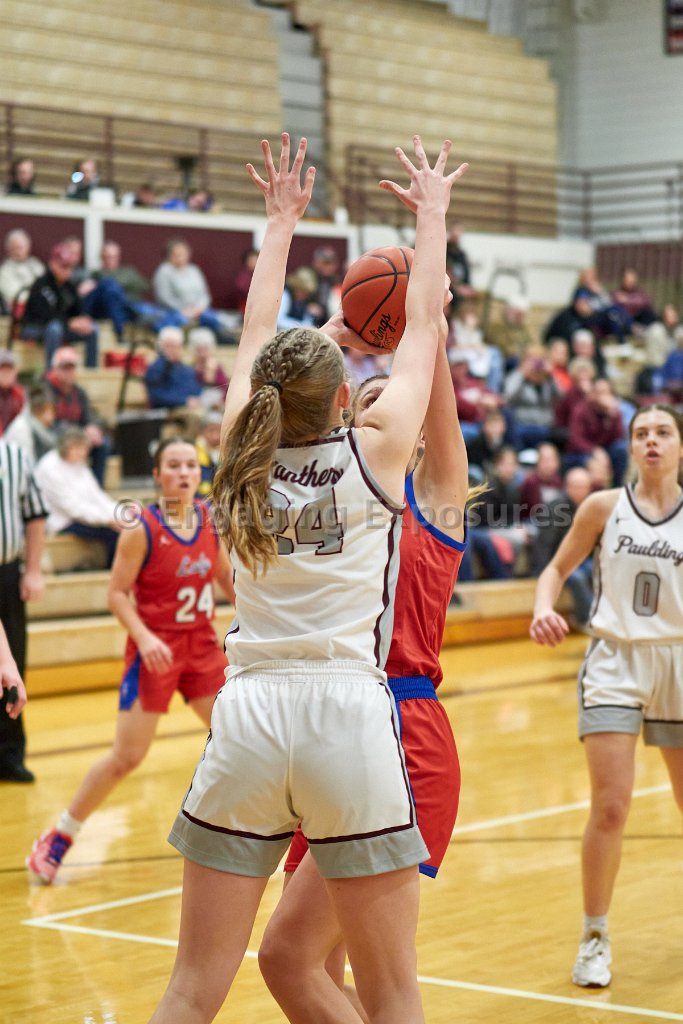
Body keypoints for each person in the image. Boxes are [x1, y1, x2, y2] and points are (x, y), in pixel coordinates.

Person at [146, 132, 467, 1024]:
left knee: (190, 988)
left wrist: (279, 224)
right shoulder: (375, 455)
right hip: (348, 714)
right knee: (392, 991)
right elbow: (423, 328)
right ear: (342, 400)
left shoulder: (237, 453)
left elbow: (257, 338)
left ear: (264, 399)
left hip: (247, 711)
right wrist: (431, 217)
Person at [258, 322, 469, 1024]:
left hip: (403, 729)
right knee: (317, 969)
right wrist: (325, 338)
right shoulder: (330, 501)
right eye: (364, 401)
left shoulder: (435, 501)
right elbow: (280, 414)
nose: (379, 410)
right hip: (326, 728)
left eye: (393, 401)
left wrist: (430, 333)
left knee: (304, 960)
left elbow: (439, 418)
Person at [27, 438, 234, 882]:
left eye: (190, 465)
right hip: (155, 650)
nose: (184, 472)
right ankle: (58, 837)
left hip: (200, 647)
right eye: (173, 465)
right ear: (157, 475)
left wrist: (257, 618)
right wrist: (144, 637)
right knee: (127, 757)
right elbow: (116, 594)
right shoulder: (141, 527)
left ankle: (268, 829)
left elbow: (225, 578)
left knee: (240, 737)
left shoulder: (210, 522)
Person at [529, 404, 683, 989]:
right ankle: (594, 936)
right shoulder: (603, 507)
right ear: (631, 447)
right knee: (612, 806)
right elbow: (554, 570)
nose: (651, 441)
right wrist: (542, 608)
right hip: (616, 659)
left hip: (678, 660)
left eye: (663, 433)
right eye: (641, 433)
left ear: (679, 446)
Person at [0, 439, 46, 783]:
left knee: (10, 662)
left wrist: (32, 570)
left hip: (5, 572)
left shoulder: (15, 455)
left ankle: (9, 754)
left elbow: (34, 516)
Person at [33, 428, 121, 568]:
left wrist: (119, 513)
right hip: (61, 521)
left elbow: (97, 496)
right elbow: (71, 508)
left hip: (84, 515)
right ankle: (111, 572)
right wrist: (107, 520)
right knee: (113, 533)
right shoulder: (49, 468)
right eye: (79, 448)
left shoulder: (79, 464)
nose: (83, 453)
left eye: (84, 448)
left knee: (127, 527)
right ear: (67, 447)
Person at [21, 243, 99, 368]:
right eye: (63, 266)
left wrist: (83, 320)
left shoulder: (70, 286)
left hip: (61, 326)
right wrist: (69, 322)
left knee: (92, 328)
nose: (67, 271)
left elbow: (77, 310)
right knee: (54, 328)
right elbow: (44, 315)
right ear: (53, 264)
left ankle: (91, 371)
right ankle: (50, 372)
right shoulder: (41, 284)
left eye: (70, 267)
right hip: (34, 327)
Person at [43, 345, 111, 485]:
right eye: (64, 368)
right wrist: (80, 433)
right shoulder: (46, 389)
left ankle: (96, 487)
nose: (69, 372)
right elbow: (49, 422)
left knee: (102, 444)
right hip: (55, 436)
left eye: (71, 368)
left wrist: (93, 427)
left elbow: (89, 415)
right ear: (55, 369)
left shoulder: (79, 392)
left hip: (77, 435)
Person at [152, 238, 227, 339]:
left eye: (183, 254)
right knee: (176, 320)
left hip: (199, 311)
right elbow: (164, 298)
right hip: (174, 312)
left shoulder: (194, 270)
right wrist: (185, 311)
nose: (180, 257)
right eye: (176, 254)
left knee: (213, 319)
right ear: (169, 255)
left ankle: (224, 339)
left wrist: (199, 309)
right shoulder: (164, 271)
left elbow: (204, 295)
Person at [144, 326, 203, 410]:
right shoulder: (155, 369)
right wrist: (184, 401)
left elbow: (195, 389)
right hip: (167, 410)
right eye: (168, 346)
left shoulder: (187, 369)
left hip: (189, 408)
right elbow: (156, 396)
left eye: (175, 346)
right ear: (160, 347)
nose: (172, 350)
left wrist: (196, 399)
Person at [5, 386, 57, 465]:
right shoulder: (22, 428)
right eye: (51, 411)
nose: (53, 416)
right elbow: (26, 463)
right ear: (39, 410)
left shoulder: (34, 426)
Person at [0, 228, 44, 314]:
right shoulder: (4, 271)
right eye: (15, 248)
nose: (18, 251)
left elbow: (47, 285)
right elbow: (16, 296)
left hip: (43, 307)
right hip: (21, 312)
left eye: (21, 247)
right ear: (9, 249)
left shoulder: (36, 265)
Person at [0, 349, 26, 432]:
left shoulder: (19, 393)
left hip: (12, 436)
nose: (6, 373)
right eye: (3, 370)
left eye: (9, 369)